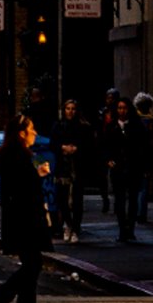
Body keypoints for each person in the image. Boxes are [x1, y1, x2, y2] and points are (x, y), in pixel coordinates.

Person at [0, 113, 52, 303]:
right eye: (31, 130)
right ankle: (0, 297)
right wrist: (37, 175)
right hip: (24, 219)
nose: (34, 134)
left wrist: (36, 173)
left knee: (32, 263)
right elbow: (23, 188)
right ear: (22, 133)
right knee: (33, 264)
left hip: (20, 218)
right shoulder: (18, 156)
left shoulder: (15, 154)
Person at [103, 95, 148, 242]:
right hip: (118, 167)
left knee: (133, 199)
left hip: (133, 166)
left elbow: (142, 146)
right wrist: (108, 159)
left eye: (124, 108)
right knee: (120, 200)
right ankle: (123, 229)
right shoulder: (112, 127)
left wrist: (142, 164)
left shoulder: (136, 126)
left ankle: (131, 228)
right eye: (120, 108)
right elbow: (104, 145)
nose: (122, 111)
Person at [50, 98, 94, 243]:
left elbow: (89, 145)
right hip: (62, 167)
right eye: (68, 109)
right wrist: (63, 148)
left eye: (73, 109)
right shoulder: (58, 126)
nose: (70, 112)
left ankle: (75, 228)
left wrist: (76, 149)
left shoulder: (84, 127)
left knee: (76, 200)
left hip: (78, 166)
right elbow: (53, 144)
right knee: (62, 199)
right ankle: (68, 225)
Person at [133, 92, 153, 225]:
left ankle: (138, 212)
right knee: (143, 185)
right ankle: (141, 213)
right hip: (148, 156)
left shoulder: (134, 119)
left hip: (136, 156)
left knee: (137, 186)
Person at [97, 88, 120, 213]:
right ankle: (105, 199)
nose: (110, 100)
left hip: (114, 147)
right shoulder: (102, 112)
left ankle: (117, 202)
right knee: (102, 176)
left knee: (115, 176)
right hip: (102, 146)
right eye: (108, 98)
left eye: (112, 98)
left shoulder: (119, 113)